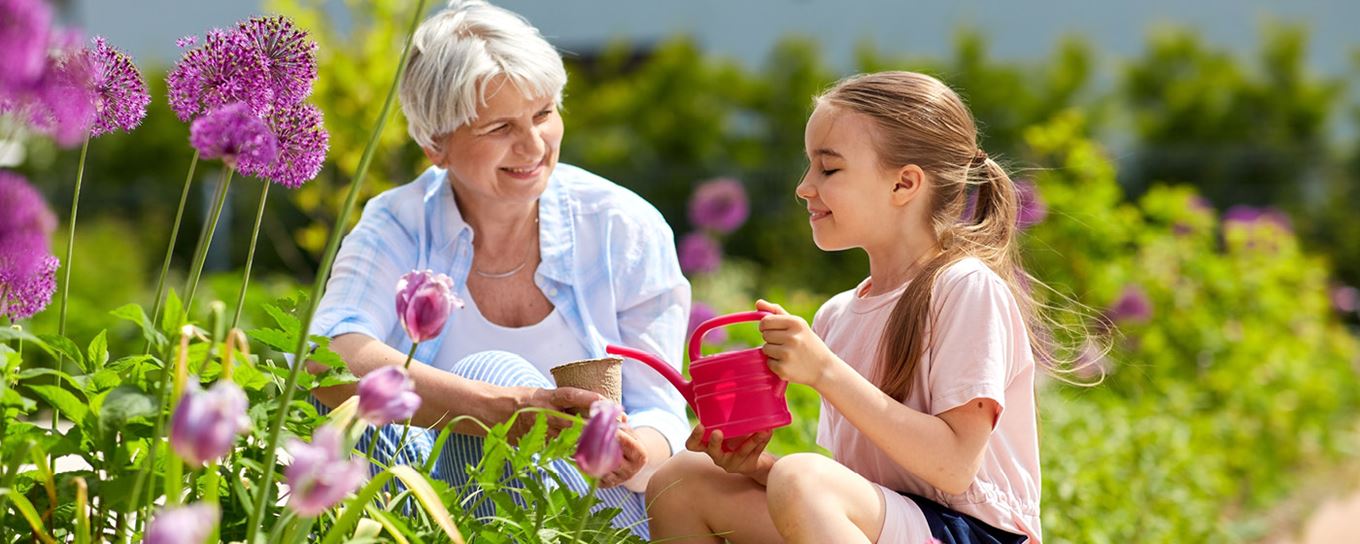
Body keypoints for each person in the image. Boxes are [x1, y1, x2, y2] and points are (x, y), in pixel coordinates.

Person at [305, 1, 690, 537]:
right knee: (400, 410)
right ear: (434, 145)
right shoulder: (398, 221)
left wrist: (631, 451)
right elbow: (325, 357)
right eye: (499, 127)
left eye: (543, 114)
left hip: (587, 515)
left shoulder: (622, 227)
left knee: (488, 376)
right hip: (434, 512)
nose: (534, 146)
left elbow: (662, 409)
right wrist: (506, 408)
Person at [647, 71, 1069, 543]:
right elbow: (861, 492)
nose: (804, 187)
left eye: (828, 169)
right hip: (900, 525)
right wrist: (757, 466)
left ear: (904, 184)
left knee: (803, 478)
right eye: (809, 168)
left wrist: (825, 371)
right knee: (681, 481)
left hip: (974, 533)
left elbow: (952, 467)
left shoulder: (965, 287)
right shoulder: (837, 314)